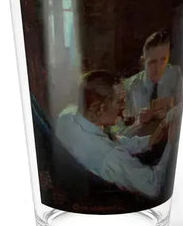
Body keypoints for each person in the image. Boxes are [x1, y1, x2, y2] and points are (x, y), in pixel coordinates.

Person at [55, 70, 175, 199]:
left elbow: (112, 141)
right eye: (120, 101)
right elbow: (154, 186)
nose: (124, 106)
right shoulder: (111, 157)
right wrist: (172, 143)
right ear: (100, 108)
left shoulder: (66, 117)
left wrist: (149, 140)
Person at [124, 30, 183, 126]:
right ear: (143, 61)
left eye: (163, 60)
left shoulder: (176, 75)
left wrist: (172, 109)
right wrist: (138, 121)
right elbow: (120, 130)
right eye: (153, 62)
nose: (158, 68)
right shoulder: (130, 87)